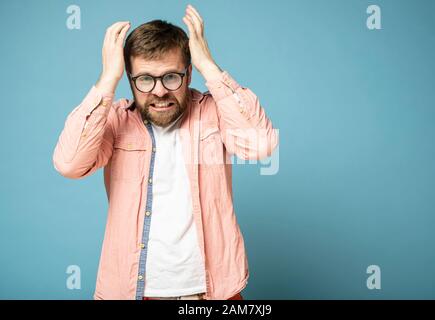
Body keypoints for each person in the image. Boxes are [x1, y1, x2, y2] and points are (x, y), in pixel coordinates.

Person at [53, 4, 278, 300]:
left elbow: (260, 145)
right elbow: (69, 163)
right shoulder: (116, 119)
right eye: (145, 79)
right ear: (130, 79)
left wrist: (208, 65)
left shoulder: (213, 112)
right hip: (131, 291)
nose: (159, 90)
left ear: (188, 73)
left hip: (212, 293)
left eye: (171, 76)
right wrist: (107, 79)